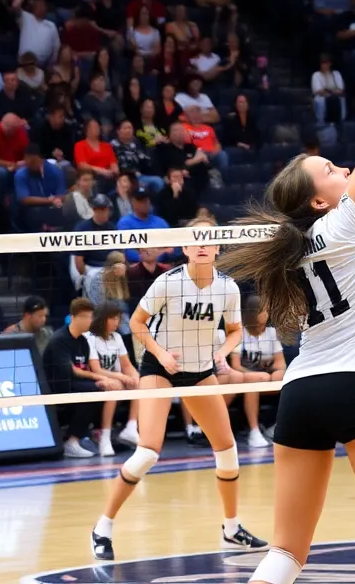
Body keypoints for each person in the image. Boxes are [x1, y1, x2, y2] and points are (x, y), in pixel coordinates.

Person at [218, 0, 355, 584]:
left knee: (285, 553)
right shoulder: (348, 217)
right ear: (318, 197)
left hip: (302, 390)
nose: (343, 169)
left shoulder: (294, 244)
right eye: (331, 169)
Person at [91, 217, 266, 561]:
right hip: (160, 368)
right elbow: (138, 324)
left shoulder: (228, 288)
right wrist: (160, 354)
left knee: (227, 450)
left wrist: (223, 351)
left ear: (217, 248)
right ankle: (103, 526)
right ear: (185, 248)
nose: (201, 245)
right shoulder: (168, 282)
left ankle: (231, 528)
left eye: (208, 240)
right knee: (148, 452)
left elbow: (234, 330)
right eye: (194, 240)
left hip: (200, 371)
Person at [42, 298, 124, 458]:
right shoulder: (59, 339)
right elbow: (72, 370)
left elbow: (84, 369)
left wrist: (101, 381)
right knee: (95, 391)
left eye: (91, 317)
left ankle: (95, 434)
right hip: (59, 387)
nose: (90, 320)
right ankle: (71, 441)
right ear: (73, 317)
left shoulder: (83, 342)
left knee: (106, 390)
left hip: (76, 385)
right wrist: (99, 379)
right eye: (85, 317)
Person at [229, 296, 286, 450]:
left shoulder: (271, 332)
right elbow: (235, 366)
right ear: (255, 313)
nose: (268, 314)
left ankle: (277, 426)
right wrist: (258, 375)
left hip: (266, 377)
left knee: (285, 377)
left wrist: (275, 372)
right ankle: (254, 431)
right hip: (246, 376)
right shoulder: (241, 333)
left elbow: (281, 363)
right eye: (265, 311)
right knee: (255, 380)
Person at [85, 302, 140, 457]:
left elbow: (127, 365)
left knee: (140, 382)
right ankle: (105, 436)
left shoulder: (116, 337)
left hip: (115, 378)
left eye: (119, 319)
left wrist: (134, 376)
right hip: (96, 379)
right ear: (103, 319)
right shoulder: (90, 338)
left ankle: (131, 427)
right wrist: (122, 376)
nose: (117, 322)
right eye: (114, 319)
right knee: (116, 386)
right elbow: (96, 369)